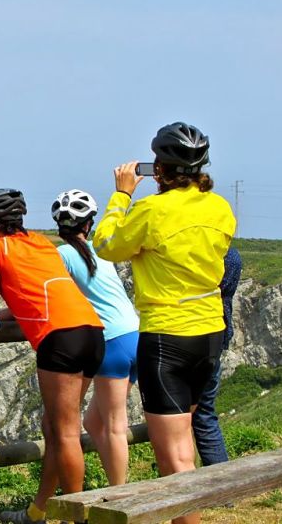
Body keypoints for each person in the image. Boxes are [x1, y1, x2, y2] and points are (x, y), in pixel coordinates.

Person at [93, 122, 236, 524]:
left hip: (166, 338)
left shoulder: (151, 211)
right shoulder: (220, 208)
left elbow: (106, 245)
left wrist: (121, 195)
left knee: (175, 460)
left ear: (159, 169)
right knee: (184, 442)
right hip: (209, 334)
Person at [0, 188, 105, 524]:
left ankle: (78, 516)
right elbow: (40, 291)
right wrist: (11, 310)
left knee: (66, 433)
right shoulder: (42, 243)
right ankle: (37, 512)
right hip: (91, 330)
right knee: (53, 427)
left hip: (60, 338)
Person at [53, 189, 140, 486]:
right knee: (93, 422)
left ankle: (121, 496)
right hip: (134, 334)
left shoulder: (62, 255)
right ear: (88, 224)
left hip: (112, 341)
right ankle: (116, 482)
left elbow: (51, 295)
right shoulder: (99, 251)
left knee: (115, 424)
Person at [192, 246, 242, 466]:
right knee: (205, 415)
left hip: (189, 332)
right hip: (216, 336)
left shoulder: (198, 252)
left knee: (182, 417)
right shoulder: (232, 256)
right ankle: (222, 482)